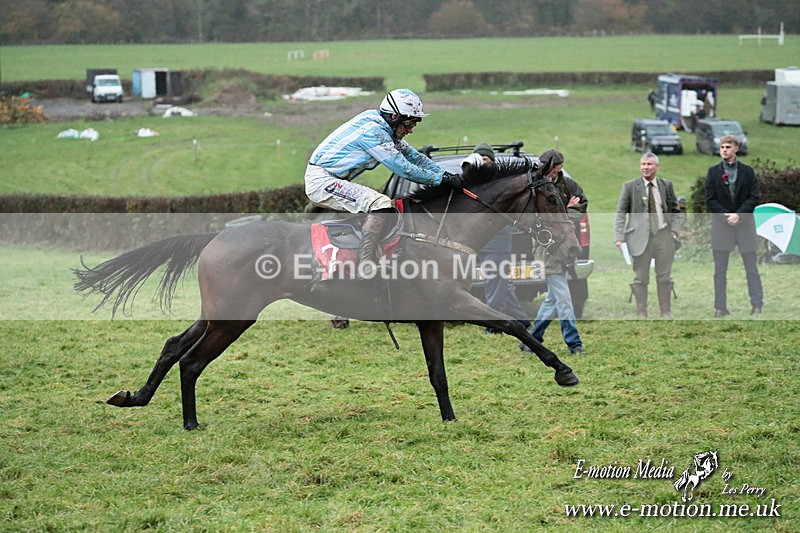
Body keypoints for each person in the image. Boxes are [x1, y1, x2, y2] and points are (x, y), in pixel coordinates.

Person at [305, 88, 463, 278]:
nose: (411, 129)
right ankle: (365, 264)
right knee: (380, 204)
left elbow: (415, 157)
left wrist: (448, 174)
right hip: (323, 180)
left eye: (414, 123)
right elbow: (403, 168)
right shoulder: (374, 132)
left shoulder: (383, 127)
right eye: (408, 122)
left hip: (332, 178)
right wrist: (441, 180)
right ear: (394, 116)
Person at [523, 149, 587, 354]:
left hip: (567, 246)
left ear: (560, 168)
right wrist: (564, 212)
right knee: (564, 300)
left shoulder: (569, 183)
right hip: (546, 248)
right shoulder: (535, 185)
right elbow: (534, 215)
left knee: (553, 299)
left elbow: (582, 205)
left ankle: (531, 341)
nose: (551, 173)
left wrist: (563, 216)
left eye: (554, 170)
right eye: (548, 170)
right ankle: (574, 343)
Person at [464, 143, 532, 334]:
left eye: (486, 159)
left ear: (492, 161)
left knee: (495, 281)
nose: (483, 164)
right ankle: (522, 319)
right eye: (479, 160)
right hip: (479, 239)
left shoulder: (500, 182)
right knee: (497, 282)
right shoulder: (474, 180)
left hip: (498, 239)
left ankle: (494, 325)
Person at [614, 152, 682, 318]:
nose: (646, 167)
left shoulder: (666, 185)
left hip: (663, 235)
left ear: (656, 167)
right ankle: (641, 312)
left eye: (649, 164)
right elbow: (621, 212)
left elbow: (676, 211)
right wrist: (619, 237)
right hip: (639, 238)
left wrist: (674, 231)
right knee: (640, 277)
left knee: (664, 276)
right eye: (643, 164)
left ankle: (665, 311)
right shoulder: (630, 186)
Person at [704, 134, 763, 317]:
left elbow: (754, 197)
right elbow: (710, 199)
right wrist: (725, 216)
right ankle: (720, 307)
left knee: (751, 269)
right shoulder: (713, 172)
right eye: (722, 147)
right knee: (720, 271)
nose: (724, 150)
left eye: (728, 147)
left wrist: (740, 215)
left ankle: (757, 304)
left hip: (744, 226)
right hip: (722, 227)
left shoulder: (748, 172)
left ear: (736, 149)